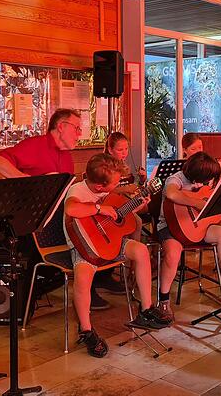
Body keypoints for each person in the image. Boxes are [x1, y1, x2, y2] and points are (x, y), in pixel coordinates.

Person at [0, 109, 123, 311]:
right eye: (77, 128)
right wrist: (29, 183)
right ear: (61, 127)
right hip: (31, 224)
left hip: (55, 218)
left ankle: (94, 282)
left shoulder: (66, 157)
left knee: (96, 233)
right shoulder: (36, 145)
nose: (79, 134)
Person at [64, 153, 171, 358]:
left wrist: (136, 206)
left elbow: (119, 217)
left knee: (140, 250)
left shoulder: (110, 194)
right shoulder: (77, 189)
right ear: (99, 187)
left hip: (111, 242)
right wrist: (99, 208)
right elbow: (72, 208)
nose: (118, 185)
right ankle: (86, 330)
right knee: (83, 277)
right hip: (83, 246)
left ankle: (146, 309)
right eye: (115, 183)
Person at [155, 152, 221, 322]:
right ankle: (163, 300)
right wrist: (197, 203)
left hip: (196, 227)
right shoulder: (175, 179)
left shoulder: (205, 181)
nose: (209, 180)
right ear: (197, 176)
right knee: (173, 253)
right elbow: (172, 194)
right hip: (170, 227)